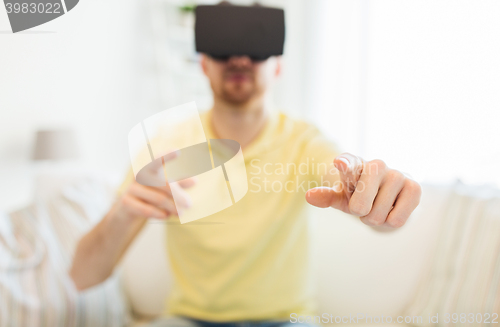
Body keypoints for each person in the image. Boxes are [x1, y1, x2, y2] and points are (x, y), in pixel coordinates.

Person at [69, 9, 422, 327]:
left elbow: (346, 179)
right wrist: (121, 214)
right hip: (188, 320)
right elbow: (82, 277)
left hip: (285, 321)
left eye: (255, 49)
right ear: (204, 64)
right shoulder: (166, 147)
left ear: (278, 66)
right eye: (223, 49)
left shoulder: (303, 142)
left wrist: (378, 201)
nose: (239, 59)